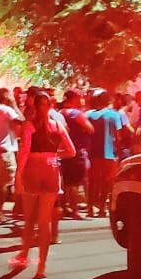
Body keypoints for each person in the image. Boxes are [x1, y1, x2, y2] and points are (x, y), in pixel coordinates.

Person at [13, 90, 76, 278]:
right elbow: (71, 151)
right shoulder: (57, 125)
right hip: (51, 169)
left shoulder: (30, 125)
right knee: (44, 221)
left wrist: (18, 176)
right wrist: (55, 156)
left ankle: (24, 254)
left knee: (29, 218)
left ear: (35, 106)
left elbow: (24, 151)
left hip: (33, 168)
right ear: (50, 106)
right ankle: (41, 265)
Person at [85, 89, 132, 216]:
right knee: (107, 181)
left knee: (93, 181)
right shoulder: (114, 115)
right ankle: (102, 208)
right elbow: (117, 135)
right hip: (109, 153)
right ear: (108, 100)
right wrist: (118, 151)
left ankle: (90, 207)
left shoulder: (88, 115)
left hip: (93, 153)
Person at [0, 87, 22, 224]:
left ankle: (0, 212)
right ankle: (3, 213)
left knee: (0, 183)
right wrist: (15, 105)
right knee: (9, 182)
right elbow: (22, 121)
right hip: (6, 150)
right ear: (6, 96)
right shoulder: (8, 110)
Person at [59, 88, 93, 219]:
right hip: (77, 151)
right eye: (80, 97)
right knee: (75, 182)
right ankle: (75, 211)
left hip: (63, 151)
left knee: (66, 182)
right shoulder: (77, 114)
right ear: (74, 99)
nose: (82, 100)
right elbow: (90, 129)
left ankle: (64, 207)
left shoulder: (60, 113)